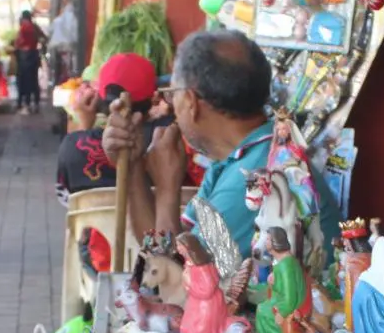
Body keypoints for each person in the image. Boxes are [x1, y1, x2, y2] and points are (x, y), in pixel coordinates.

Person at [102, 29, 340, 263]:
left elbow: (173, 284)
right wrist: (132, 167)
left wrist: (166, 190)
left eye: (172, 94)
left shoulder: (256, 175)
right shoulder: (237, 158)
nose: (172, 105)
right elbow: (162, 246)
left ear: (191, 101)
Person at [56, 53, 159, 206]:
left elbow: (66, 201)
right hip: (153, 227)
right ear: (154, 99)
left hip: (94, 228)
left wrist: (84, 125)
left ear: (99, 97)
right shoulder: (166, 144)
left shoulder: (72, 145)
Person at [16, 9, 45, 112]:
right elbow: (43, 38)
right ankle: (36, 103)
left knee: (25, 81)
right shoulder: (35, 27)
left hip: (24, 57)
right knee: (34, 79)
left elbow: (18, 42)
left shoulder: (23, 27)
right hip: (34, 55)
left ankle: (27, 104)